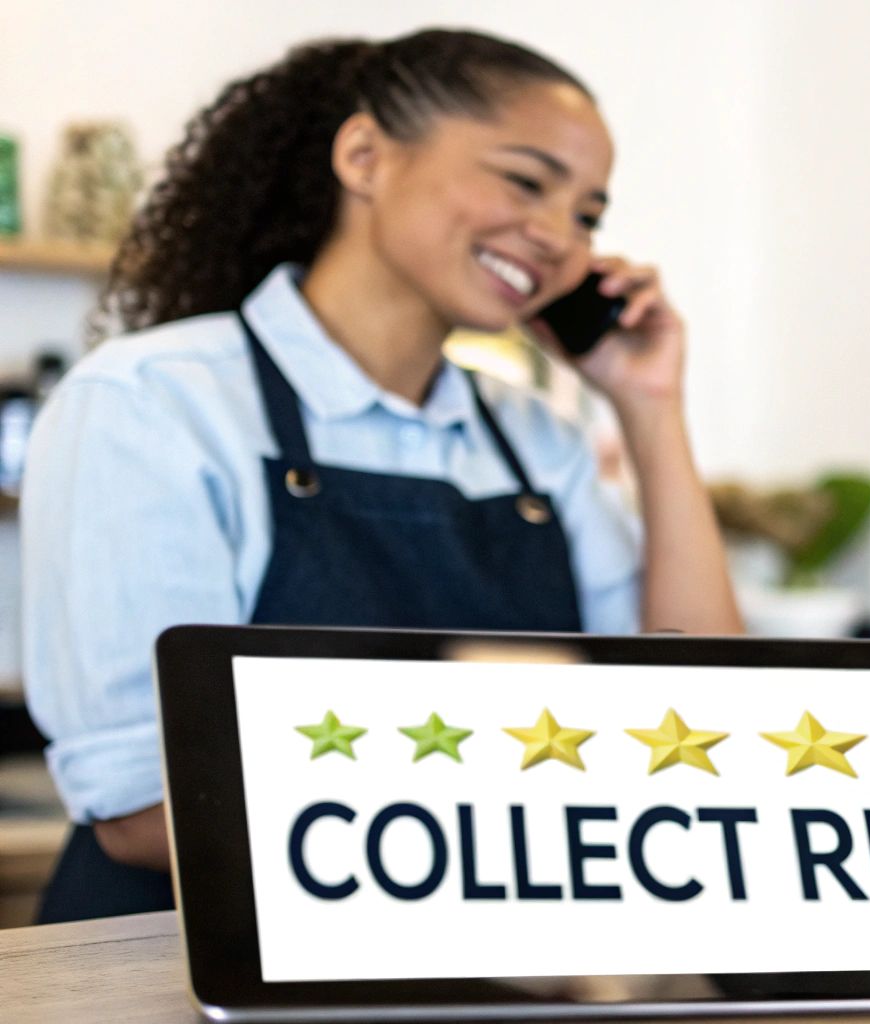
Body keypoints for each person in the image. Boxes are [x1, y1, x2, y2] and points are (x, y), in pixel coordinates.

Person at [21, 28, 742, 923]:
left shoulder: (532, 437)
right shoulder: (154, 404)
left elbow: (699, 720)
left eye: (588, 215)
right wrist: (524, 842)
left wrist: (649, 408)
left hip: (468, 965)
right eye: (525, 181)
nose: (560, 238)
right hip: (177, 971)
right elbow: (143, 809)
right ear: (364, 156)